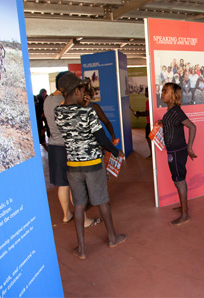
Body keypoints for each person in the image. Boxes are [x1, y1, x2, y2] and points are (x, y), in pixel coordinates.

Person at [54, 72, 127, 259]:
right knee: (102, 201)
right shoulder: (87, 112)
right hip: (93, 163)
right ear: (77, 91)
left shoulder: (58, 113)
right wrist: (116, 151)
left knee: (78, 205)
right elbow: (100, 137)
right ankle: (112, 237)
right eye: (81, 89)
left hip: (73, 165)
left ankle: (82, 249)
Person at [43, 71, 102, 228]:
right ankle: (84, 219)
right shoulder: (65, 101)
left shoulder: (47, 100)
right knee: (75, 186)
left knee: (62, 184)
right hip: (69, 146)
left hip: (54, 146)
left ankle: (66, 215)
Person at [159, 82, 197, 226]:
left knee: (179, 181)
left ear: (174, 96)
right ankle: (183, 207)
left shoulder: (175, 111)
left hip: (176, 152)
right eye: (162, 91)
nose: (162, 94)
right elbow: (173, 124)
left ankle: (185, 214)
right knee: (177, 179)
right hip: (173, 151)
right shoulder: (171, 112)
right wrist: (162, 122)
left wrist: (190, 147)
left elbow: (192, 127)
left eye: (165, 91)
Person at [129, 87, 152, 158]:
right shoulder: (151, 101)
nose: (145, 93)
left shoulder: (148, 101)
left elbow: (147, 113)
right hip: (152, 122)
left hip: (149, 123)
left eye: (146, 92)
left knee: (148, 138)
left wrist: (139, 114)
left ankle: (152, 153)